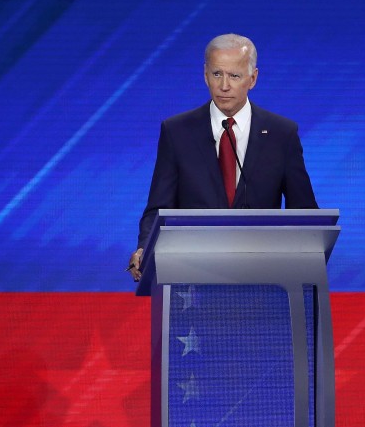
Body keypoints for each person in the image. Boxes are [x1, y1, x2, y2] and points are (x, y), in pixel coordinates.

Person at [128, 33, 318, 281]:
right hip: (193, 277)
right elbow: (158, 209)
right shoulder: (177, 132)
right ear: (205, 74)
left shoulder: (282, 134)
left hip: (263, 279)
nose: (224, 85)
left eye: (235, 76)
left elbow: (304, 213)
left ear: (253, 78)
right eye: (217, 74)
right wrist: (145, 247)